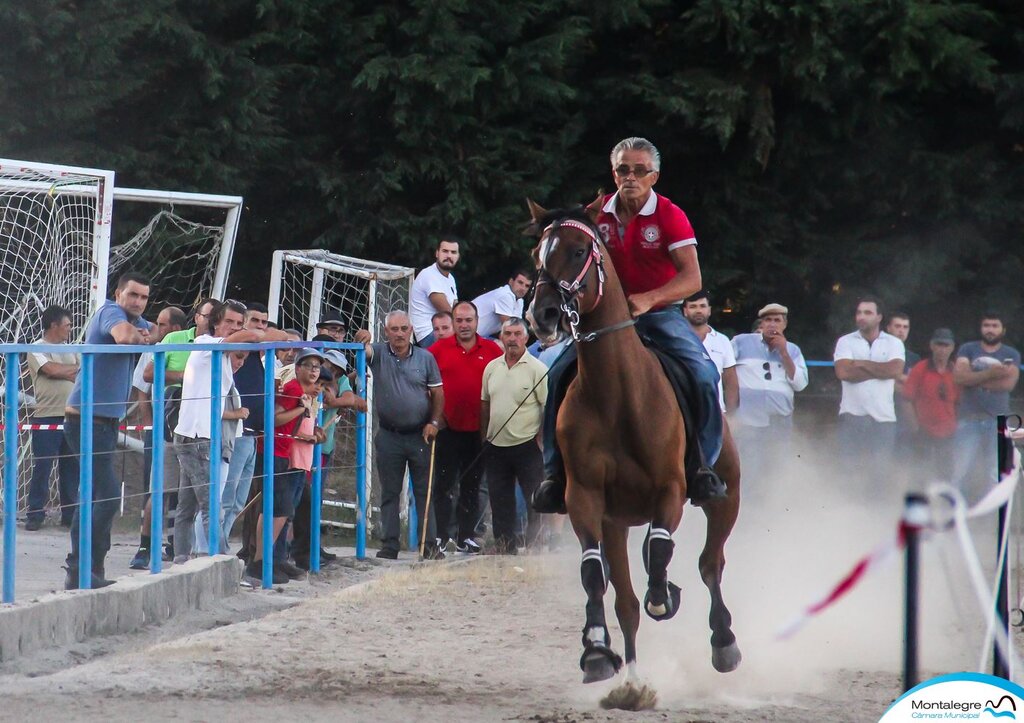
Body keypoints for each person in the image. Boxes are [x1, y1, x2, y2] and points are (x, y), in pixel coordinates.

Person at [533, 136, 725, 513]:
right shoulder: (597, 214)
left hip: (660, 313)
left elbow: (692, 279)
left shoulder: (670, 215)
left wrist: (650, 299)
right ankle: (554, 475)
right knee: (556, 376)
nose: (630, 178)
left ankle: (703, 466)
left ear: (654, 176)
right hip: (605, 320)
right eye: (623, 170)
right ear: (613, 173)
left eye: (639, 170)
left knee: (703, 374)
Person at [63, 272, 154, 590]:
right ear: (119, 294)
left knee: (94, 495)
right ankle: (82, 567)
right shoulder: (110, 312)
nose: (139, 302)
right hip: (86, 420)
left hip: (103, 421)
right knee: (107, 496)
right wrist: (143, 334)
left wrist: (149, 333)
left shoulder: (135, 318)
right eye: (133, 295)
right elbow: (125, 337)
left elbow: (152, 331)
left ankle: (86, 570)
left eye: (144, 297)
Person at [173, 301, 265, 562]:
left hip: (200, 435)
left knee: (190, 505)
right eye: (229, 323)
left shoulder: (222, 351)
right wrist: (253, 333)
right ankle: (214, 560)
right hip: (199, 437)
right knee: (211, 506)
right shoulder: (207, 344)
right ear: (215, 323)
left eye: (239, 323)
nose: (234, 329)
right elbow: (252, 336)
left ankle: (183, 559)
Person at [353, 311, 445, 560]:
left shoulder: (426, 358)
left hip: (420, 435)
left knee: (425, 491)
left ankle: (429, 545)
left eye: (404, 328)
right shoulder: (379, 353)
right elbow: (364, 351)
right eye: (394, 329)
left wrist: (434, 422)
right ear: (386, 332)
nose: (400, 333)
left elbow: (437, 393)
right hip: (389, 435)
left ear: (412, 330)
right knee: (390, 492)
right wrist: (363, 338)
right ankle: (390, 545)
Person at [244, 348, 325, 583]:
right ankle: (260, 561)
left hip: (282, 451)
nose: (313, 371)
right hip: (273, 450)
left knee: (281, 509)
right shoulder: (293, 391)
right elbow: (275, 418)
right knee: (278, 509)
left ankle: (268, 559)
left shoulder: (302, 393)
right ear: (297, 369)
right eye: (308, 365)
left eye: (316, 367)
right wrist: (301, 408)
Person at [429, 301, 502, 552]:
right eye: (459, 320)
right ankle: (441, 535)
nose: (463, 325)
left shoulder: (492, 350)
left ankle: (466, 535)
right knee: (444, 484)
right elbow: (427, 385)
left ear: (477, 321)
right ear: (453, 321)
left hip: (479, 430)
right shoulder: (438, 349)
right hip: (448, 429)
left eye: (468, 320)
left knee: (472, 485)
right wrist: (436, 417)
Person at [481, 319, 547, 553]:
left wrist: (539, 440)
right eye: (507, 333)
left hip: (527, 444)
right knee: (500, 499)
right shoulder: (491, 368)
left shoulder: (538, 369)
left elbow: (545, 408)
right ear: (501, 336)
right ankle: (504, 545)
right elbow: (485, 405)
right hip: (496, 445)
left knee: (534, 498)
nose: (512, 339)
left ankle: (534, 545)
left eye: (517, 333)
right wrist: (484, 438)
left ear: (526, 338)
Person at [128, 305, 186, 568]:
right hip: (160, 430)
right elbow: (142, 388)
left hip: (186, 430)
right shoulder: (153, 352)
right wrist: (150, 424)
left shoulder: (188, 348)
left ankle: (175, 544)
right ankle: (144, 546)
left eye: (162, 325)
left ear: (175, 329)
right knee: (156, 489)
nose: (156, 329)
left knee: (183, 491)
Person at [833, 297, 905, 492]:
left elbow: (895, 371)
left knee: (879, 473)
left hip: (883, 418)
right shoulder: (845, 341)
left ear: (879, 317)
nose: (861, 317)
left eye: (867, 313)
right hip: (852, 415)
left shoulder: (894, 343)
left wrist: (861, 363)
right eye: (859, 312)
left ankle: (876, 514)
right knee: (848, 470)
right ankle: (848, 512)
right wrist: (880, 370)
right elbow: (844, 373)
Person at [730, 303, 809, 475]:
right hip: (748, 420)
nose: (772, 324)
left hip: (779, 420)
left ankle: (774, 501)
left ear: (784, 325)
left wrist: (784, 353)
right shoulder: (741, 342)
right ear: (762, 323)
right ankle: (749, 501)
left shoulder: (793, 350)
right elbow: (724, 370)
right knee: (749, 467)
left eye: (776, 320)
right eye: (768, 320)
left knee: (777, 467)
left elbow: (800, 384)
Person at [952, 313, 1021, 499]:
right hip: (968, 418)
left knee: (996, 471)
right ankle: (956, 516)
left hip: (997, 420)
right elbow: (959, 378)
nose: (990, 329)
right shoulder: (968, 349)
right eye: (986, 325)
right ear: (981, 328)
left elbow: (1008, 385)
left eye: (995, 325)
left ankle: (995, 520)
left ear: (1002, 330)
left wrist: (973, 380)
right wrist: (992, 373)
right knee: (960, 470)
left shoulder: (1011, 353)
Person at [25, 305, 80, 530]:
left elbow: (82, 369)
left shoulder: (73, 348)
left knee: (71, 468)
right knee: (43, 467)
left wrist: (69, 370)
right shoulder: (35, 348)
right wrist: (72, 370)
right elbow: (52, 370)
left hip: (73, 416)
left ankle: (69, 516)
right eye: (67, 325)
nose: (70, 329)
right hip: (46, 416)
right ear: (54, 325)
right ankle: (35, 515)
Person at [902, 328, 959, 482]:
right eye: (938, 344)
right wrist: (915, 427)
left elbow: (960, 401)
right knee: (919, 473)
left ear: (952, 348)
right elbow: (906, 399)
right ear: (932, 346)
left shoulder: (955, 371)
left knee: (946, 474)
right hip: (924, 430)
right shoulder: (920, 369)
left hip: (948, 431)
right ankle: (918, 504)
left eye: (946, 345)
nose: (942, 349)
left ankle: (944, 505)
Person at [683, 290, 738, 413]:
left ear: (709, 310)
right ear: (685, 311)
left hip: (716, 412)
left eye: (702, 306)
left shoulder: (722, 341)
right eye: (693, 306)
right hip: (683, 413)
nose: (698, 310)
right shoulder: (676, 339)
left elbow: (731, 382)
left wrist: (731, 415)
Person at [410, 237, 460, 347]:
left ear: (458, 256)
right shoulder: (429, 275)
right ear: (437, 253)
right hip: (428, 334)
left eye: (453, 252)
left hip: (445, 330)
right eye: (445, 251)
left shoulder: (450, 278)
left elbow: (456, 308)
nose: (449, 256)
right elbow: (448, 312)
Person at [472, 270, 532, 339]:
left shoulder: (520, 301)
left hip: (480, 336)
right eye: (520, 283)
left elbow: (517, 327)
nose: (523, 288)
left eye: (527, 286)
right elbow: (509, 328)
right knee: (503, 346)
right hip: (468, 336)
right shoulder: (505, 295)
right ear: (511, 282)